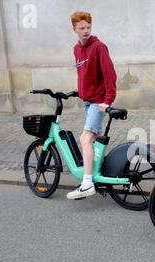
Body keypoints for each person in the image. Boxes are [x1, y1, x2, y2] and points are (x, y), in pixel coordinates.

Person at [67, 12, 117, 200]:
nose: (86, 30)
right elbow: (84, 74)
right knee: (93, 139)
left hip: (98, 102)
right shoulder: (76, 49)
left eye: (88, 27)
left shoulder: (99, 47)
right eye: (82, 28)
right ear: (74, 30)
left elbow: (110, 75)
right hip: (88, 102)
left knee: (85, 139)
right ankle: (96, 174)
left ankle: (87, 183)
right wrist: (80, 92)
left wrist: (108, 100)